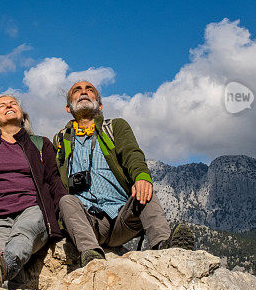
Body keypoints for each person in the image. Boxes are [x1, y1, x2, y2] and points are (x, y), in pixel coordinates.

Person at [55, 81, 194, 265]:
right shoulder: (60, 139)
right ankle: (92, 256)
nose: (84, 92)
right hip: (90, 223)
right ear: (68, 108)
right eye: (77, 90)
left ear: (100, 105)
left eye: (90, 90)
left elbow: (131, 153)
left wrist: (142, 177)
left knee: (144, 190)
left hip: (124, 217)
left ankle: (164, 247)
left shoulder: (114, 127)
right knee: (66, 201)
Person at [0, 94, 68, 286]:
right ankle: (4, 272)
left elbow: (54, 180)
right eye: (2, 105)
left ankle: (6, 267)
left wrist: (65, 215)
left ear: (23, 117)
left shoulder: (40, 144)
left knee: (24, 232)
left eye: (13, 103)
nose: (9, 105)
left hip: (33, 209)